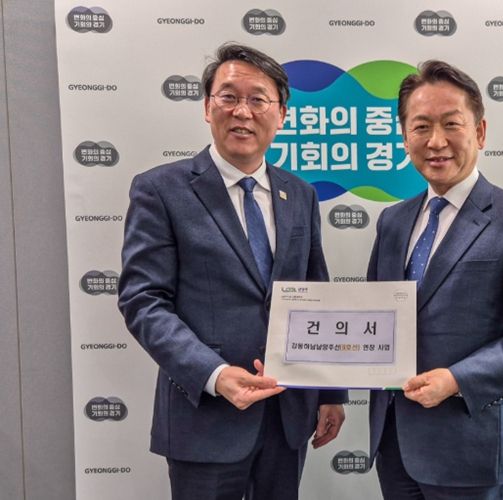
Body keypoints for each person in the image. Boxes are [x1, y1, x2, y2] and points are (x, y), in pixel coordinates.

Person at [118, 42, 347, 500]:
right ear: (208, 107)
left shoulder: (300, 194)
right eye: (229, 97)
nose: (243, 111)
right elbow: (143, 300)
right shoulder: (161, 190)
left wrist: (330, 392)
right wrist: (214, 373)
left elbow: (315, 294)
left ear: (281, 115)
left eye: (259, 99)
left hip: (286, 415)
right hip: (204, 416)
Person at [366, 60, 503, 500]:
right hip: (396, 445)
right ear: (404, 137)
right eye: (421, 127)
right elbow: (374, 321)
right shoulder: (393, 221)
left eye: (451, 124)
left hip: (475, 447)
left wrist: (457, 379)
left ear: (479, 132)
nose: (436, 141)